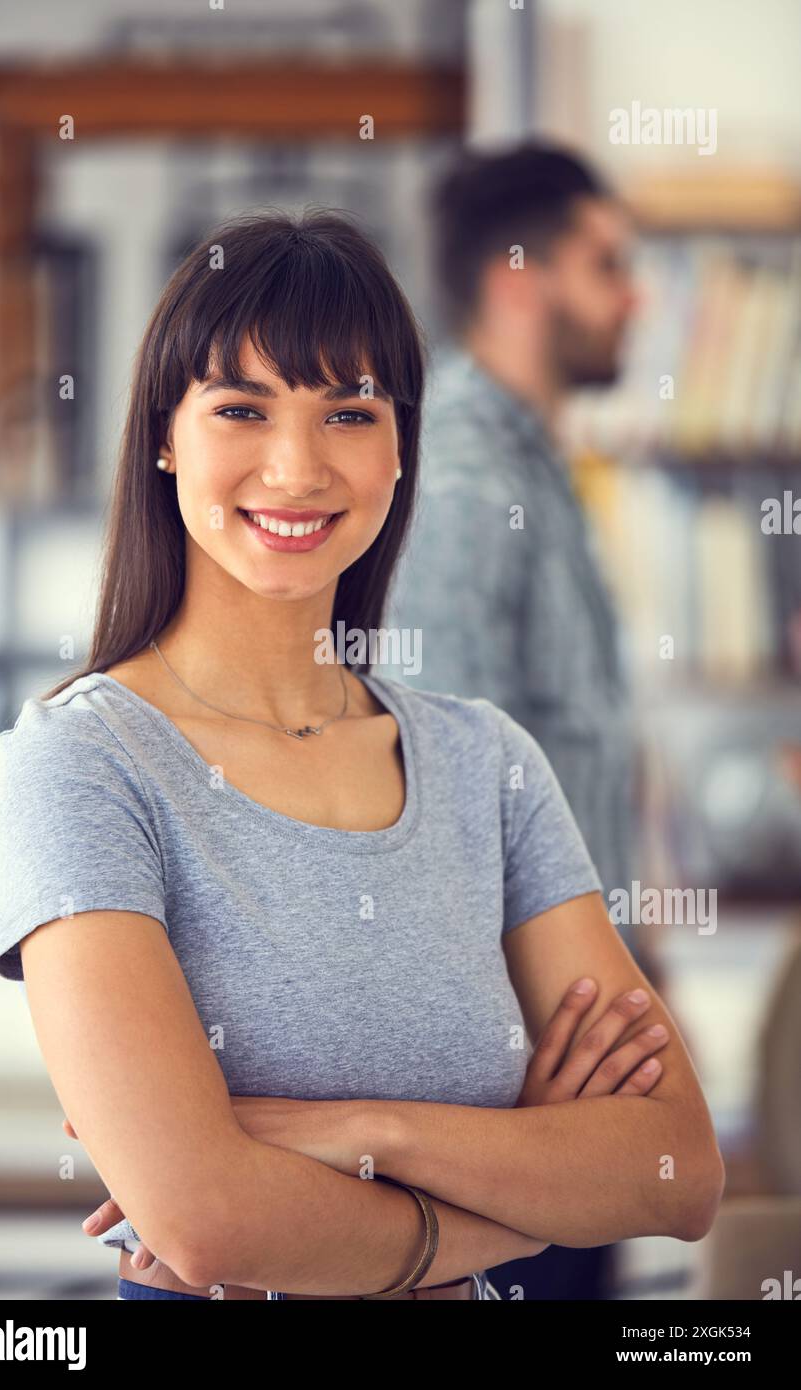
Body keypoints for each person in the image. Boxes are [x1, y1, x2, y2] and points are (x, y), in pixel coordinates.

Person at [0, 209, 722, 1303]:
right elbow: (208, 1224)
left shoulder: (486, 762)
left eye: (349, 411)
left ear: (398, 448)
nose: (295, 465)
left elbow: (674, 1171)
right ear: (163, 435)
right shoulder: (83, 761)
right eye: (241, 408)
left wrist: (358, 1132)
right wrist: (514, 1202)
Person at [378, 141, 650, 1298]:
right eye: (607, 264)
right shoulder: (461, 481)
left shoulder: (538, 471)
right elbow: (443, 798)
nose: (633, 295)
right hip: (523, 1079)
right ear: (517, 280)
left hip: (577, 1047)